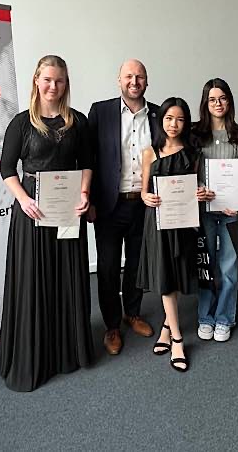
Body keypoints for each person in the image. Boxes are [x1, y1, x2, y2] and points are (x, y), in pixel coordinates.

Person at [0, 55, 94, 391]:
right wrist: (23, 200)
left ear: (67, 84)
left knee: (66, 277)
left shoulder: (77, 122)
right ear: (37, 80)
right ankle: (37, 354)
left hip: (67, 211)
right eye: (48, 79)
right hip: (33, 212)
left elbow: (88, 163)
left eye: (60, 80)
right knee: (34, 281)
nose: (53, 86)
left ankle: (67, 351)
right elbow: (7, 169)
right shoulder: (21, 123)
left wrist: (84, 194)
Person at [87, 59, 158, 355]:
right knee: (106, 267)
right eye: (129, 76)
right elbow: (88, 157)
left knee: (136, 264)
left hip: (142, 204)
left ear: (146, 81)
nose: (134, 81)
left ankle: (133, 313)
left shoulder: (158, 115)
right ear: (119, 80)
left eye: (140, 76)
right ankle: (112, 326)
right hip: (108, 205)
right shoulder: (100, 111)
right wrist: (88, 198)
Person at [137, 97, 207, 372]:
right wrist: (146, 197)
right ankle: (177, 339)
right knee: (165, 277)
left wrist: (201, 193)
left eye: (179, 119)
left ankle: (167, 325)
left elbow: (196, 187)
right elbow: (143, 190)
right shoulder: (150, 153)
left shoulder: (193, 154)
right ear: (161, 120)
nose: (173, 124)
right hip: (157, 222)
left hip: (183, 223)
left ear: (185, 122)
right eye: (168, 118)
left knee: (176, 274)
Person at [192, 78, 238, 342]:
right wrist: (198, 186)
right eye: (212, 99)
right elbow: (187, 170)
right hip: (203, 209)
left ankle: (224, 318)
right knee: (207, 265)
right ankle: (206, 316)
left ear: (230, 101)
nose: (218, 104)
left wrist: (237, 200)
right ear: (205, 103)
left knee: (228, 266)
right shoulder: (194, 135)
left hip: (230, 211)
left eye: (223, 98)